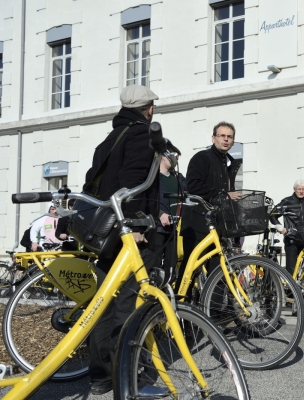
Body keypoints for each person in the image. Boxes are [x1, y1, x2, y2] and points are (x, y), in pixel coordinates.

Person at [86, 84, 160, 395]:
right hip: (127, 231)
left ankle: (101, 375)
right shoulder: (141, 134)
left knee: (103, 301)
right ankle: (124, 374)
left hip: (104, 230)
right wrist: (135, 226)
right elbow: (133, 183)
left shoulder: (110, 138)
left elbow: (93, 181)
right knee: (127, 304)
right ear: (149, 108)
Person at [178, 121, 242, 289]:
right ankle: (179, 309)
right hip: (197, 223)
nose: (226, 140)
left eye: (230, 137)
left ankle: (215, 313)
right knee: (190, 270)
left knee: (217, 272)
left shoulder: (229, 163)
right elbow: (192, 185)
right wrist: (222, 194)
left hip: (217, 225)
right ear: (213, 138)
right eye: (222, 136)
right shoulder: (203, 157)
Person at [156, 141, 186, 285]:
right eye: (174, 155)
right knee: (154, 262)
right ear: (164, 155)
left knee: (171, 262)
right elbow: (149, 200)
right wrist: (160, 213)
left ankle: (166, 291)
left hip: (173, 227)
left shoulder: (178, 178)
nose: (176, 159)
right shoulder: (154, 177)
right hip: (157, 227)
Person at [274, 180, 304, 276]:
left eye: (303, 189)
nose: (301, 191)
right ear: (294, 190)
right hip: (291, 239)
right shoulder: (287, 201)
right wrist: (280, 228)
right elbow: (273, 215)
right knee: (291, 271)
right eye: (299, 189)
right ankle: (290, 290)